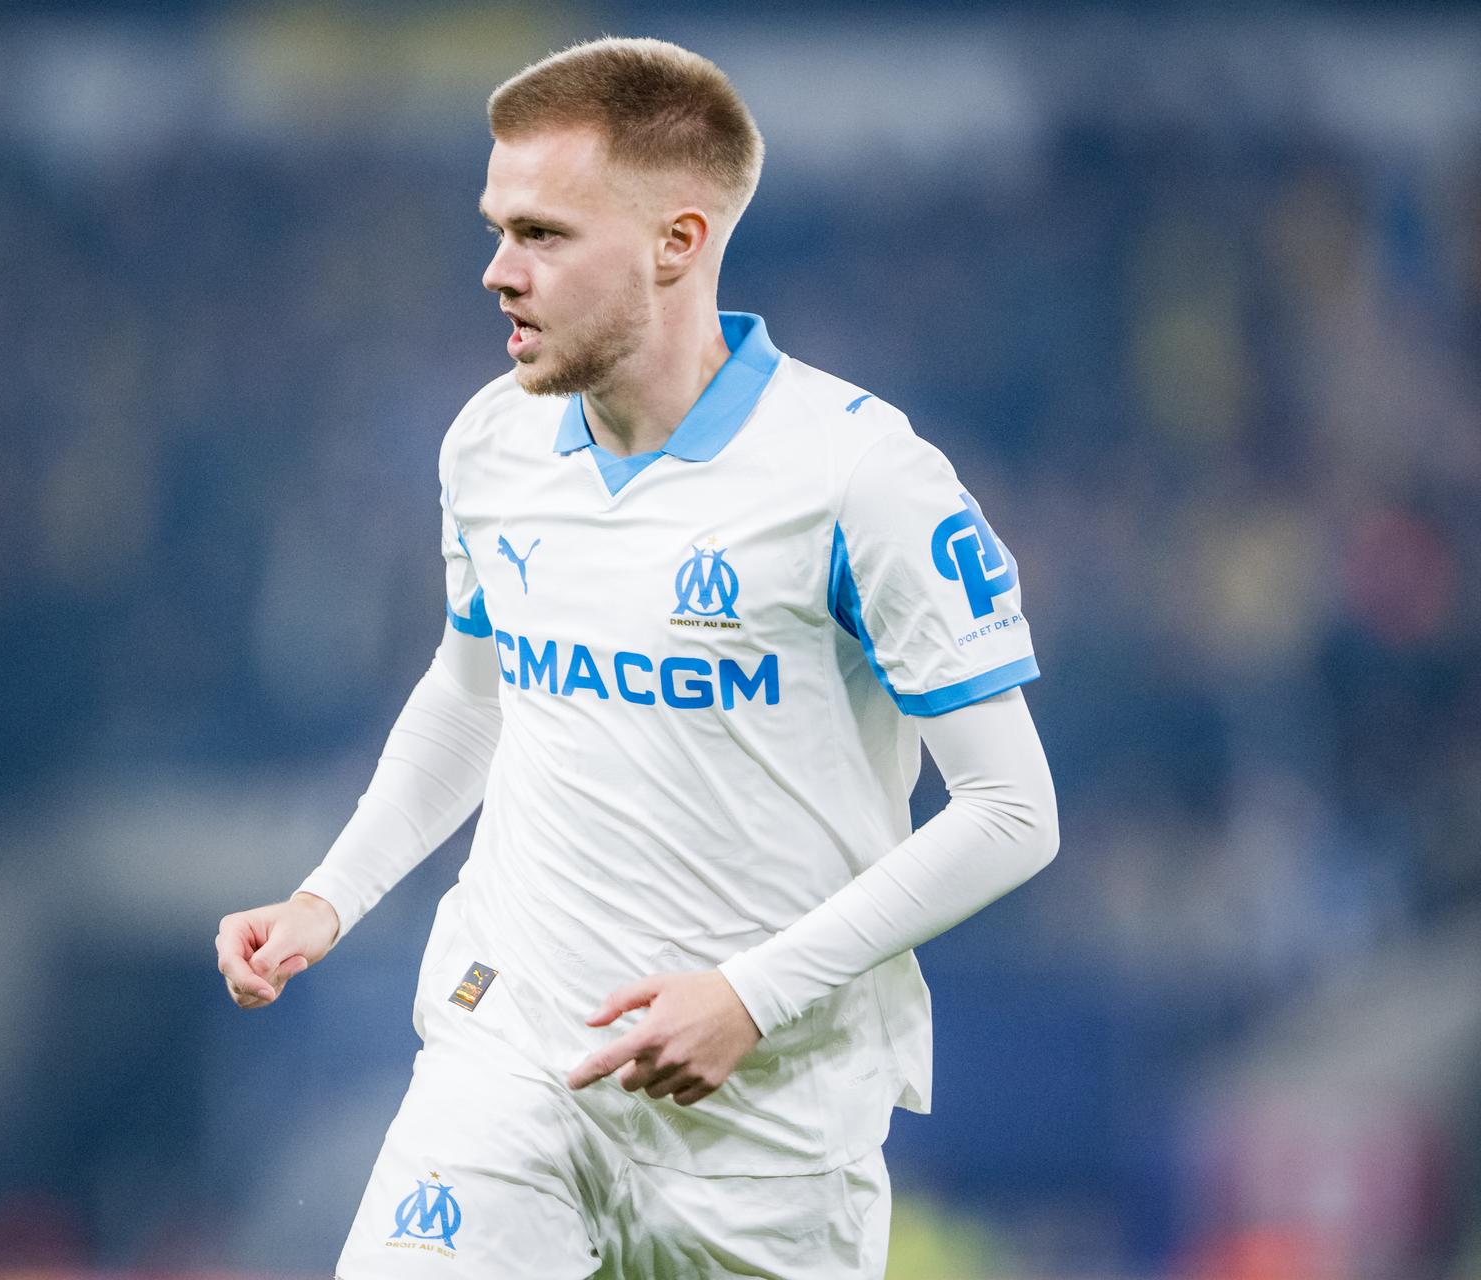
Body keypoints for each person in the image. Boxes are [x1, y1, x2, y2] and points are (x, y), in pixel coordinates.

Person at [216, 36, 1058, 1280]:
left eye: (545, 235)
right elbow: (476, 688)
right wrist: (330, 894)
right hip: (508, 1054)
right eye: (500, 228)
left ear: (678, 241)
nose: (499, 272)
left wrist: (751, 994)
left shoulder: (859, 477)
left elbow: (1012, 811)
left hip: (766, 1121)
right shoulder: (492, 443)